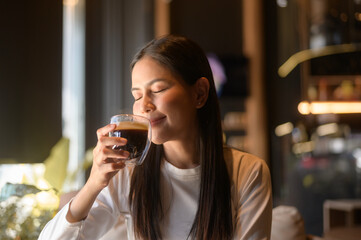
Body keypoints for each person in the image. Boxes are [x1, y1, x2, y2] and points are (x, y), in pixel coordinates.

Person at [39, 34, 272, 240]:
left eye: (158, 90)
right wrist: (93, 184)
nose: (144, 106)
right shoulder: (128, 175)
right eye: (137, 95)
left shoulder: (248, 172)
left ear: (199, 93)